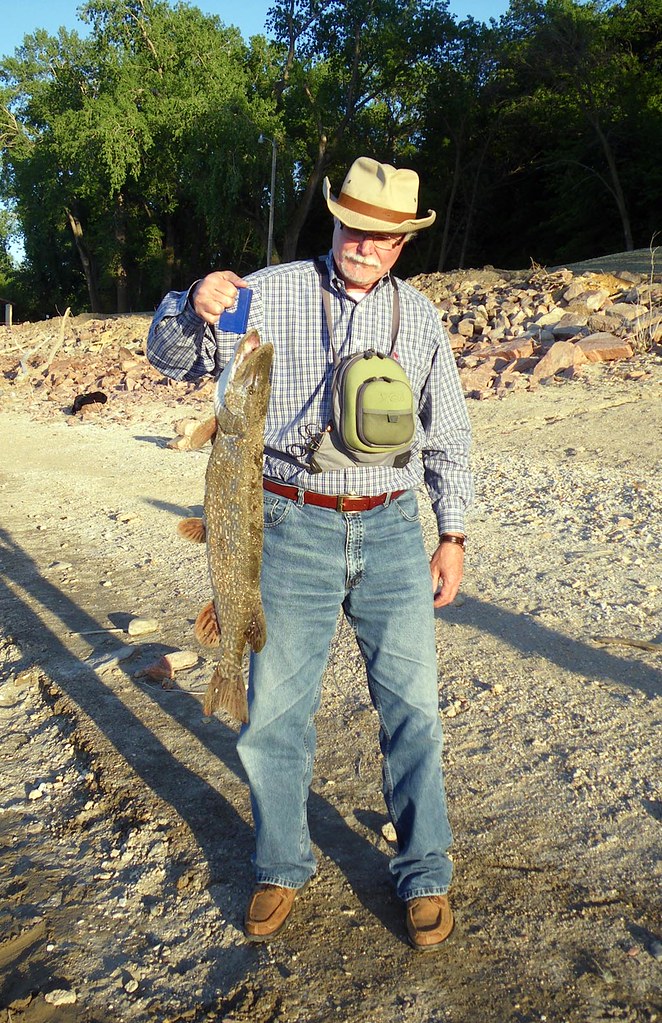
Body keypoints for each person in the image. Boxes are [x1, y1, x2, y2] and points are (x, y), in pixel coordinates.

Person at [147, 156, 474, 952]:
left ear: (403, 242)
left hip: (394, 525)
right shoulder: (270, 290)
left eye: (386, 233)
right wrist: (194, 304)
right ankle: (281, 862)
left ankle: (425, 870)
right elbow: (171, 356)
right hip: (289, 522)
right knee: (275, 716)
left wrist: (453, 533)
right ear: (337, 219)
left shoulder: (420, 316)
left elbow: (451, 431)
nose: (368, 241)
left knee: (415, 711)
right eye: (356, 223)